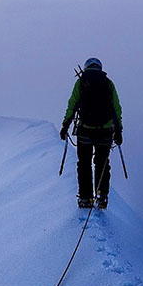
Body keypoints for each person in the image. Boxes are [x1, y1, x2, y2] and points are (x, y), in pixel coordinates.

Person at [60, 57, 122, 209]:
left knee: (84, 164)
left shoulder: (81, 82)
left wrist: (65, 125)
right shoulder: (108, 83)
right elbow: (116, 108)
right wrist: (118, 130)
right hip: (105, 132)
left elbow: (72, 104)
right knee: (102, 164)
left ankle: (85, 198)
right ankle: (101, 196)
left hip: (85, 131)